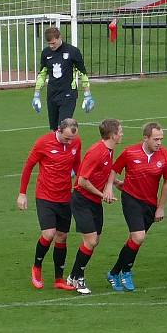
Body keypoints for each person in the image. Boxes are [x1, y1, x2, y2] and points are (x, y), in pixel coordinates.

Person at [105, 122, 167, 292]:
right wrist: (111, 185)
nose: (159, 143)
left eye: (161, 139)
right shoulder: (130, 152)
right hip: (131, 198)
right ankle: (126, 272)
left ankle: (114, 272)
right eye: (156, 139)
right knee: (138, 236)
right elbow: (113, 169)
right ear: (146, 137)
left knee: (135, 241)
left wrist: (161, 207)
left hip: (150, 204)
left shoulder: (165, 156)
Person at [17, 118, 82, 291]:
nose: (69, 142)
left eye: (72, 139)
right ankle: (37, 267)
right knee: (49, 233)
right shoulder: (43, 142)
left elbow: (78, 165)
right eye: (66, 138)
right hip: (45, 196)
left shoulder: (76, 143)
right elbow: (28, 166)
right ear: (59, 131)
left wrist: (80, 185)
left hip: (65, 196)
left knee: (62, 236)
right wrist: (22, 193)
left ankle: (59, 279)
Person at [66, 118, 124, 295]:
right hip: (82, 200)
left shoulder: (109, 150)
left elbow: (103, 172)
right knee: (90, 240)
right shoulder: (97, 152)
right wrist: (102, 194)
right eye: (120, 131)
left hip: (94, 201)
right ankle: (78, 278)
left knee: (95, 241)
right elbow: (82, 180)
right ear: (113, 135)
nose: (122, 134)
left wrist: (116, 183)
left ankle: (73, 276)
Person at [32, 27, 95, 130]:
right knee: (53, 130)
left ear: (59, 37)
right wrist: (36, 94)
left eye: (53, 43)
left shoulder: (73, 51)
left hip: (68, 95)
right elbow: (42, 74)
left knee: (63, 128)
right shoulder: (46, 53)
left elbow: (82, 73)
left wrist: (87, 94)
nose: (51, 46)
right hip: (52, 94)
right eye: (49, 44)